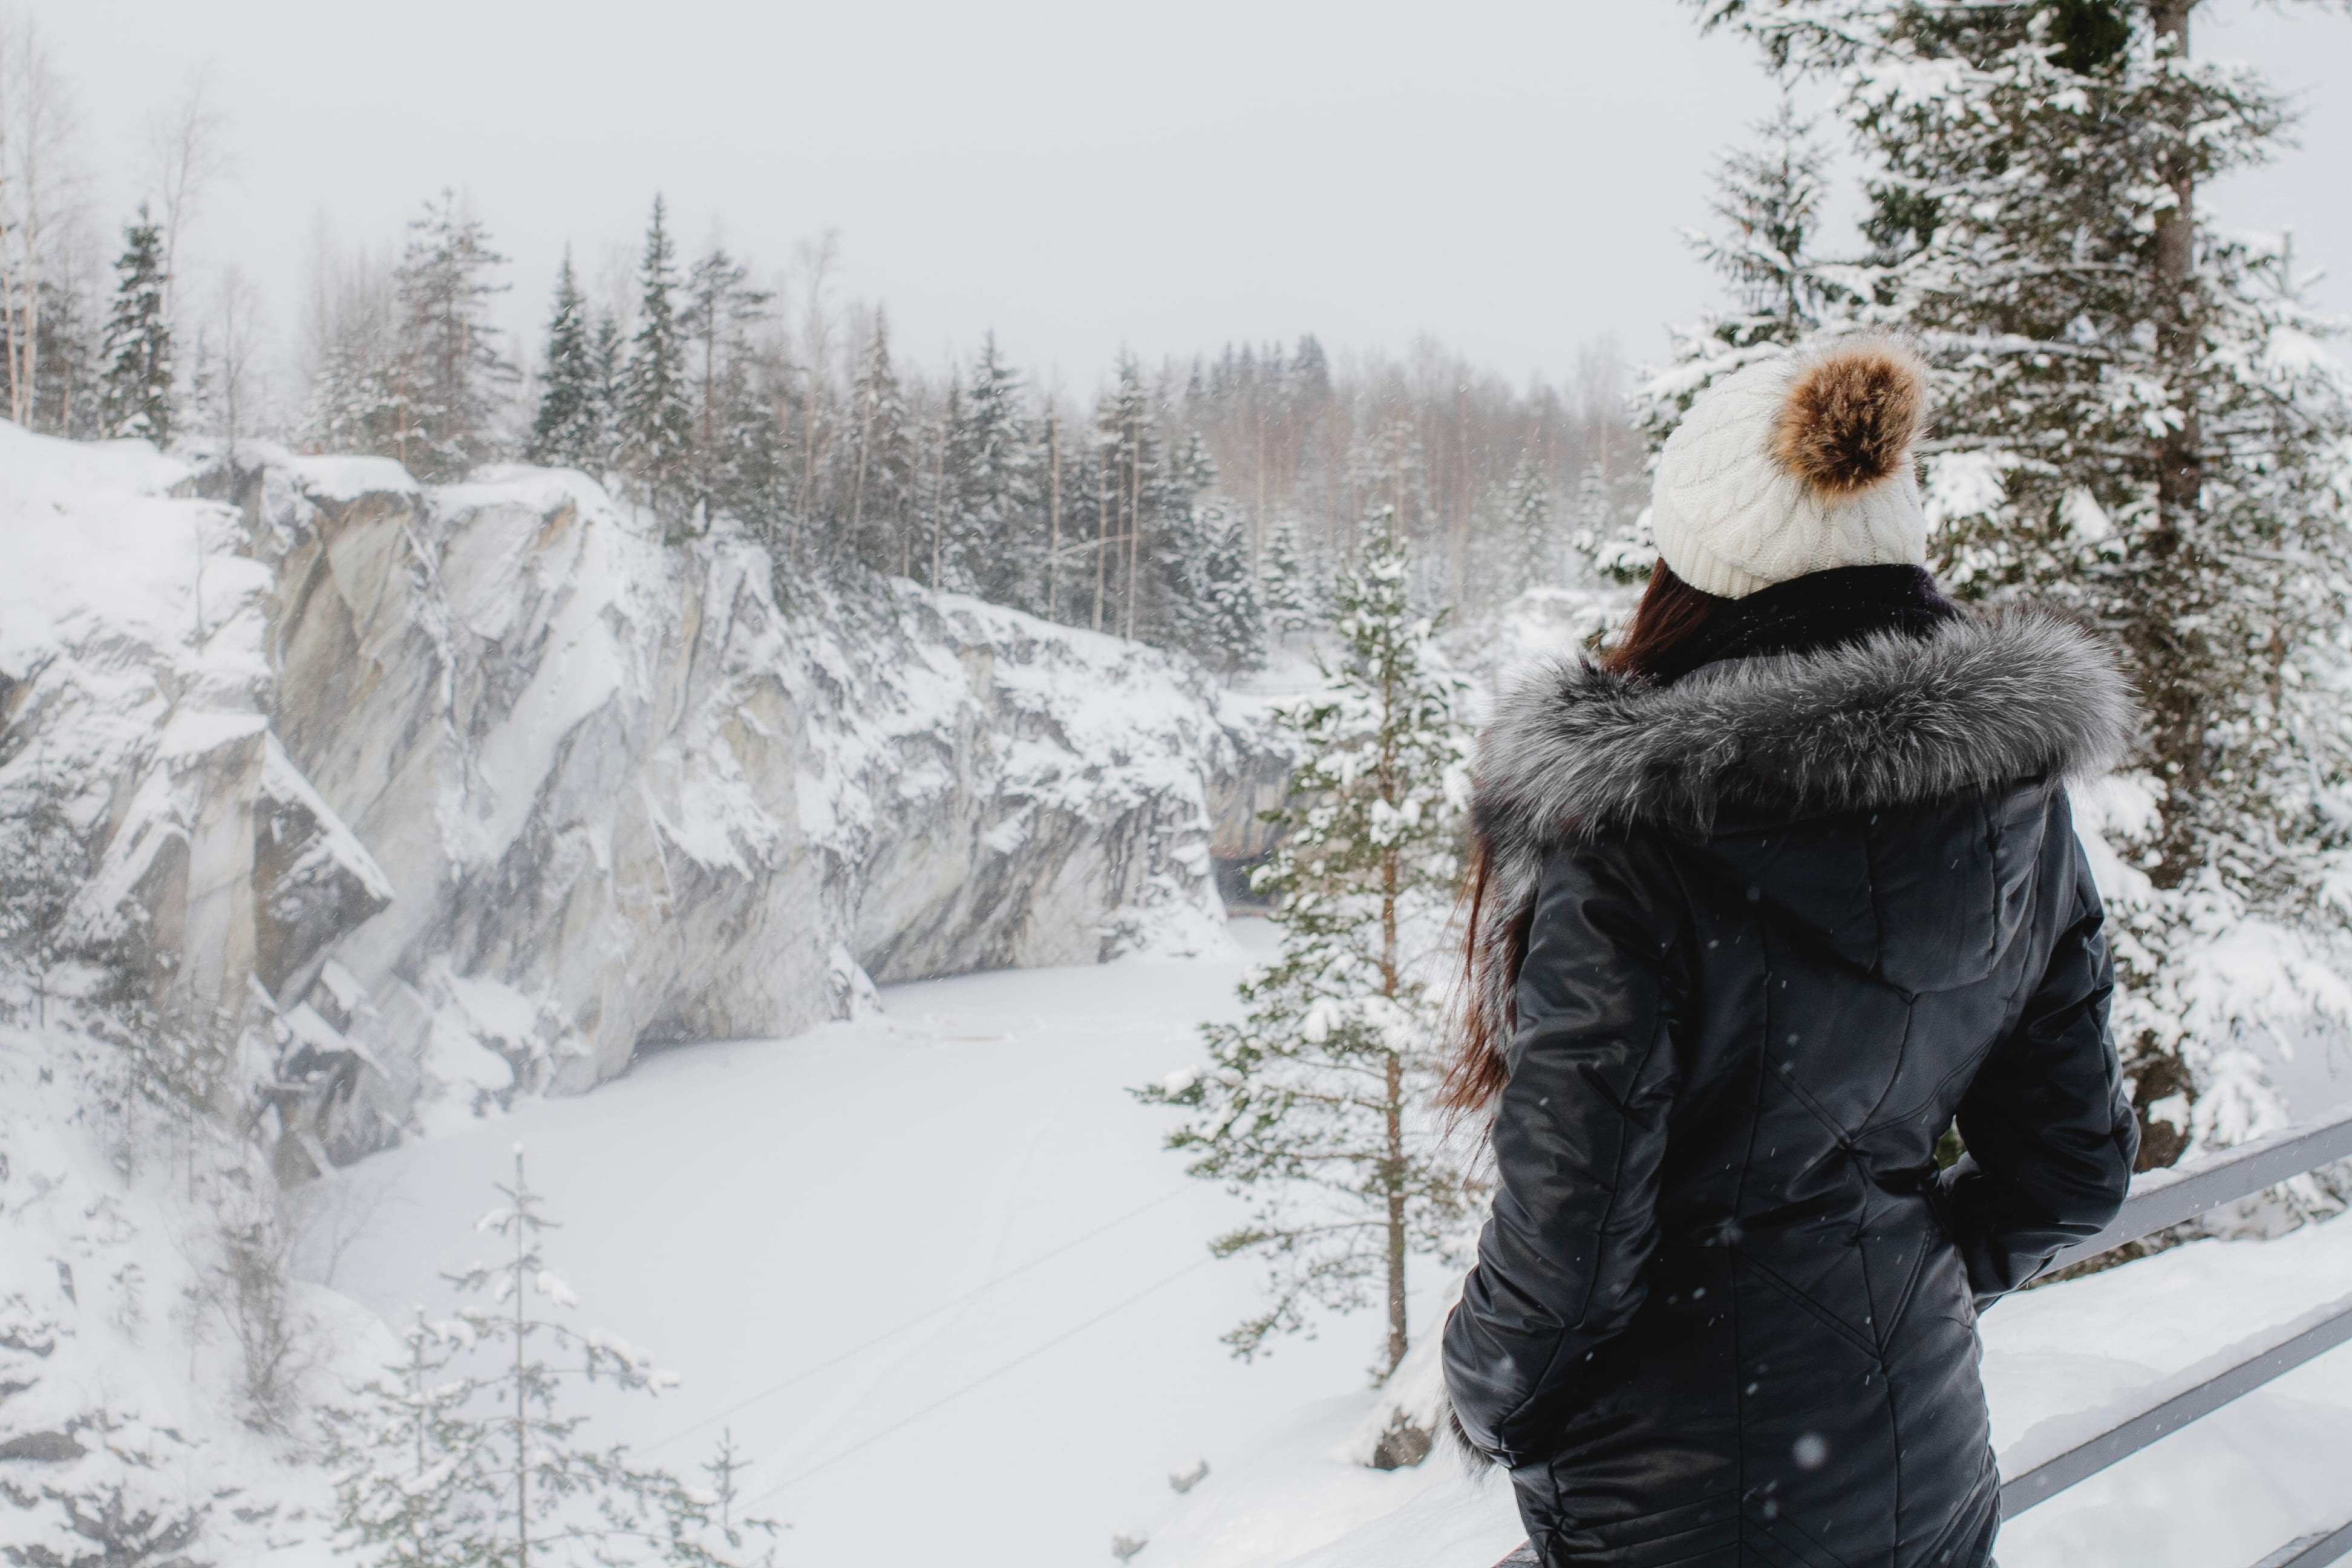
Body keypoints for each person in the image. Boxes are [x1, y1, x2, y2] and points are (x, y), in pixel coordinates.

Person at [1439, 342, 2141, 1567]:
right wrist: (1905, 1279)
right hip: (1923, 1461)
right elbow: (2073, 1169)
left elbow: (1571, 1239)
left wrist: (1487, 1398)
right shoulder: (2014, 802)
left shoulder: (1634, 839)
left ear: (1692, 564)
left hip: (1682, 1502)